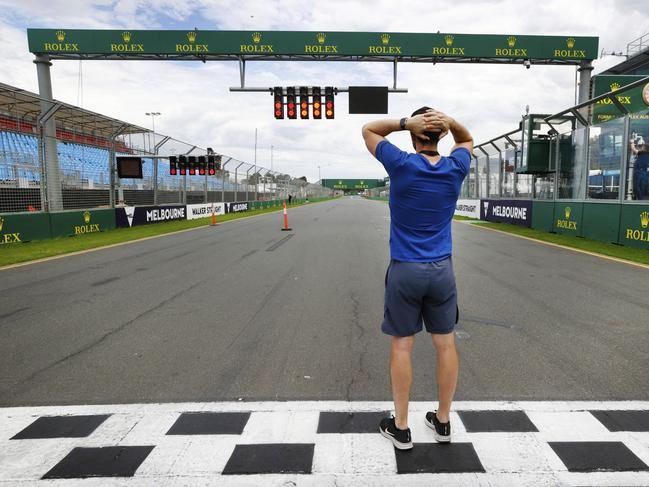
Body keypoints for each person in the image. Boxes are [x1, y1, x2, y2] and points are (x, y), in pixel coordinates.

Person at [361, 107, 473, 450]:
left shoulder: (402, 164)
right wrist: (449, 121)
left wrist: (405, 123)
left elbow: (369, 130)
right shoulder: (456, 167)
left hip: (405, 269)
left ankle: (402, 426)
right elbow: (466, 139)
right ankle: (442, 421)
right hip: (441, 270)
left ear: (413, 134)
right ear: (441, 135)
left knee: (402, 345)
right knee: (446, 344)